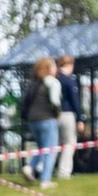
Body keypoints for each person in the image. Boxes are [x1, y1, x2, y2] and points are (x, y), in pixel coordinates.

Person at [19, 56, 62, 187]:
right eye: (54, 66)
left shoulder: (33, 83)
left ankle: (29, 167)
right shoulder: (53, 82)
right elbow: (55, 101)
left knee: (41, 148)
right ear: (49, 69)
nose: (56, 69)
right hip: (47, 119)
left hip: (32, 120)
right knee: (50, 150)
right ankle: (45, 179)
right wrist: (57, 113)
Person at [55, 55, 82, 179]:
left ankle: (44, 168)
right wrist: (79, 118)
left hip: (54, 115)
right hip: (67, 114)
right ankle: (64, 172)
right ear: (69, 65)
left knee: (57, 143)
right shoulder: (69, 81)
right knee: (69, 143)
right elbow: (74, 100)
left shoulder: (55, 79)